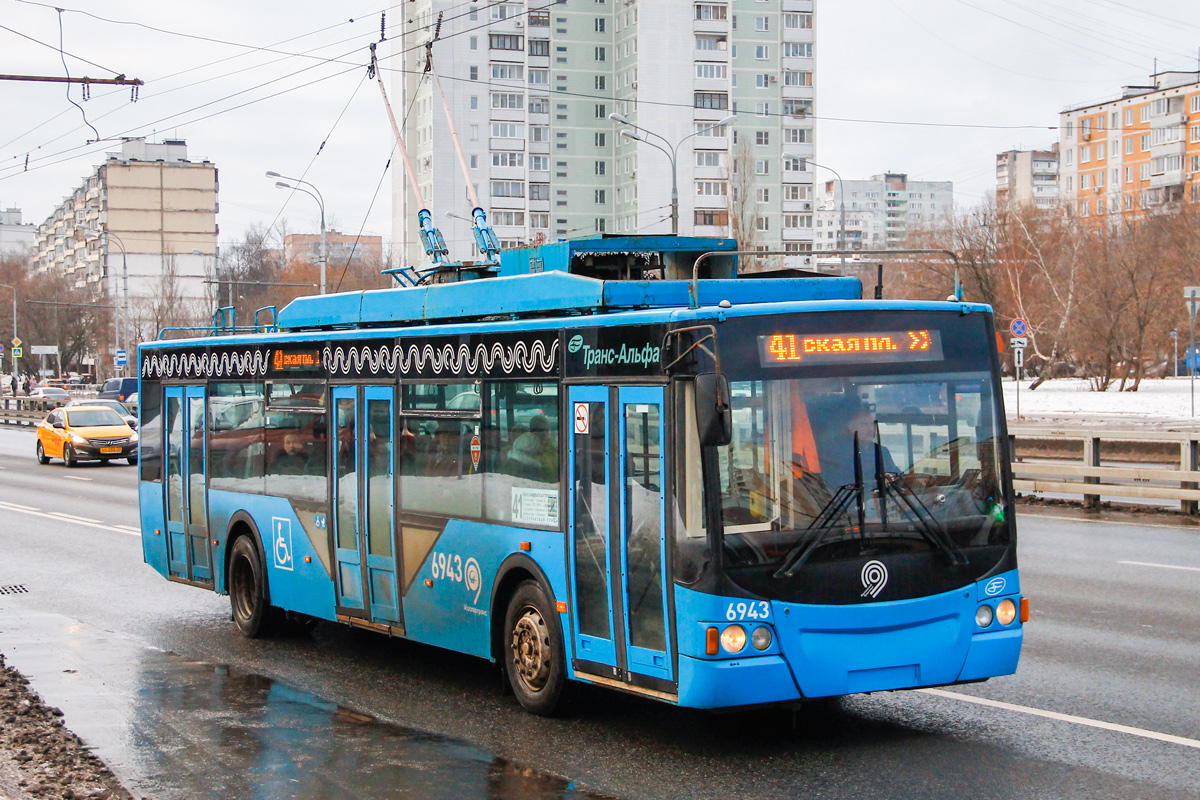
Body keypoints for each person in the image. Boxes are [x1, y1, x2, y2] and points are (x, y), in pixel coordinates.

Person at [818, 400, 898, 490]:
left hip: (880, 500)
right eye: (864, 424)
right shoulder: (839, 452)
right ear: (850, 427)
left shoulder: (881, 451)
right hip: (852, 501)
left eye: (872, 424)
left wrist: (895, 478)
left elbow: (896, 474)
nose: (870, 429)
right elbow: (842, 483)